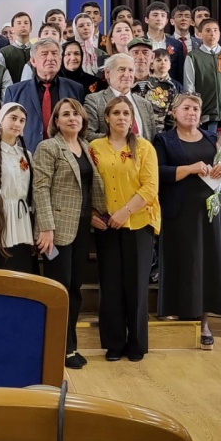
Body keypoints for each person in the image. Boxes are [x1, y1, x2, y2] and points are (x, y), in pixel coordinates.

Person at [153, 94, 221, 349]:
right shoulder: (164, 140)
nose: (192, 112)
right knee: (182, 262)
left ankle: (204, 321)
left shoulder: (213, 138)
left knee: (206, 265)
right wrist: (190, 168)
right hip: (179, 212)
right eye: (186, 108)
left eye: (196, 108)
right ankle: (176, 311)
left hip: (210, 212)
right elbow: (159, 172)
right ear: (174, 113)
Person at [33, 97, 105, 369]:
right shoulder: (48, 147)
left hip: (82, 226)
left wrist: (97, 212)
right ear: (56, 121)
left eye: (76, 114)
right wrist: (46, 227)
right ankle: (56, 348)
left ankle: (69, 345)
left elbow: (88, 187)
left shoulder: (86, 146)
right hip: (56, 230)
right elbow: (40, 188)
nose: (72, 118)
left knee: (74, 288)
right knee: (58, 289)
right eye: (65, 114)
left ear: (83, 118)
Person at [90, 96, 161, 362]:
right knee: (110, 286)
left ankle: (137, 344)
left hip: (139, 222)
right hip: (106, 224)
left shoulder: (144, 147)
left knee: (136, 285)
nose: (122, 118)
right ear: (106, 118)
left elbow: (150, 187)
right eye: (116, 113)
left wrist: (125, 211)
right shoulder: (94, 147)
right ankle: (114, 344)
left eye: (126, 113)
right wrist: (92, 214)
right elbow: (87, 183)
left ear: (132, 119)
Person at [0, 102, 35, 273]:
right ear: (1, 120)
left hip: (22, 223)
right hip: (0, 225)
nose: (17, 124)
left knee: (23, 275)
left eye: (22, 120)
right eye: (13, 118)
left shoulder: (26, 154)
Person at [4, 39, 85, 152]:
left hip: (66, 153)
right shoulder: (14, 92)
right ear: (33, 61)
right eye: (44, 54)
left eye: (55, 53)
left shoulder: (75, 89)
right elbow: (7, 129)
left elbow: (81, 125)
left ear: (60, 59)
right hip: (27, 154)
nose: (50, 58)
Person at [183, 18, 221, 133]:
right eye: (208, 30)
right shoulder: (193, 57)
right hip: (206, 116)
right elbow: (189, 88)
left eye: (215, 30)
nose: (212, 34)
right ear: (200, 34)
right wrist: (195, 113)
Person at [85, 55, 156, 142]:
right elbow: (87, 135)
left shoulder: (145, 104)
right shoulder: (94, 101)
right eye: (121, 69)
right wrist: (121, 138)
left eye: (130, 70)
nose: (127, 75)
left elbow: (152, 139)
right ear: (107, 73)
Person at [144, 1, 184, 82]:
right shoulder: (139, 44)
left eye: (163, 15)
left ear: (166, 21)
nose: (159, 18)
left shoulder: (177, 45)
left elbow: (180, 74)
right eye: (155, 15)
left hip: (170, 87)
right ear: (146, 19)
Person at [145, 49, 181, 133]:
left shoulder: (176, 86)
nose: (163, 63)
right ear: (151, 65)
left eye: (165, 60)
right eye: (158, 60)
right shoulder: (146, 83)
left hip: (166, 131)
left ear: (170, 65)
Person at [0, 12, 34, 83]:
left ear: (31, 28)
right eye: (19, 23)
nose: (23, 26)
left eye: (26, 23)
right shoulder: (4, 53)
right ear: (12, 29)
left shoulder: (37, 50)